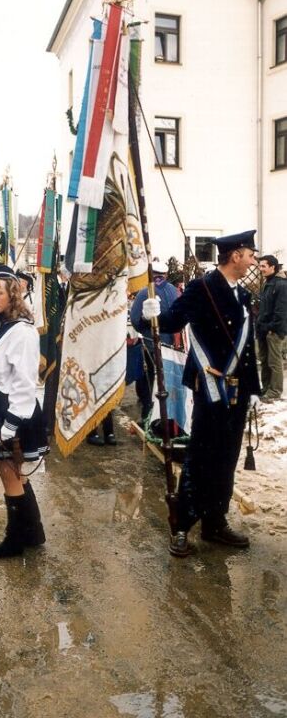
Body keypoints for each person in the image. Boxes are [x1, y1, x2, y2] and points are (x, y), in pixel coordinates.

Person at [141, 231, 261, 558]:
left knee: (227, 457)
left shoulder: (243, 295)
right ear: (235, 255)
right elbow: (170, 320)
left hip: (236, 393)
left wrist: (253, 390)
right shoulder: (202, 288)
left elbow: (247, 348)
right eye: (250, 253)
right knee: (201, 457)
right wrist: (147, 315)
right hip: (210, 390)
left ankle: (215, 522)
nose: (253, 258)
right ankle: (182, 527)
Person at [0, 266, 49, 559]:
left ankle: (14, 541)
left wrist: (10, 424)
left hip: (14, 408)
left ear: (13, 295)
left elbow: (26, 383)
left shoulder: (23, 333)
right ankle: (33, 531)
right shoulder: (2, 326)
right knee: (14, 472)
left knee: (10, 474)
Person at [130, 260, 180, 423]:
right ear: (165, 275)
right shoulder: (174, 291)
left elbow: (136, 321)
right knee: (164, 381)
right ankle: (163, 415)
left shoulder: (144, 292)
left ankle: (148, 413)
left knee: (148, 380)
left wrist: (144, 321)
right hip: (169, 346)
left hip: (152, 344)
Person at [256, 254, 287, 402]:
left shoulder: (281, 285)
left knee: (274, 362)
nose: (260, 269)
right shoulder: (268, 282)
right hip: (264, 329)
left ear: (272, 267)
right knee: (264, 360)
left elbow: (281, 311)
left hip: (274, 331)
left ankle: (274, 391)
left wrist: (271, 328)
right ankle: (266, 389)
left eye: (263, 266)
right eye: (259, 265)